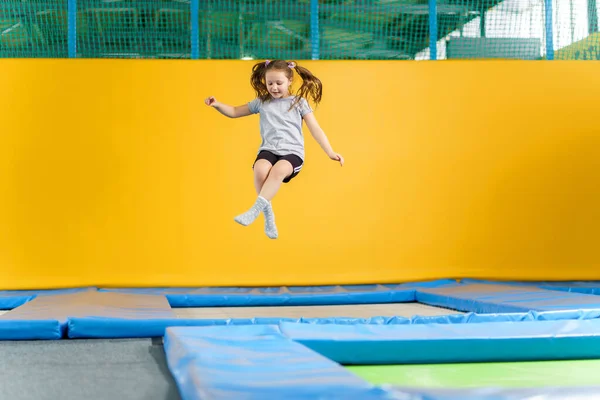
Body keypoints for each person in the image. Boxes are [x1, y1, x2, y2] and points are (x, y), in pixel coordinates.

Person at [205, 59, 344, 239]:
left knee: (278, 170)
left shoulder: (298, 103)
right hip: (269, 149)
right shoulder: (262, 102)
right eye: (270, 83)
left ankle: (254, 211)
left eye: (279, 83)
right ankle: (268, 216)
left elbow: (315, 129)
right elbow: (233, 111)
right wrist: (217, 104)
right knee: (260, 169)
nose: (274, 87)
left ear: (289, 81)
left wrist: (330, 152)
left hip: (292, 153)